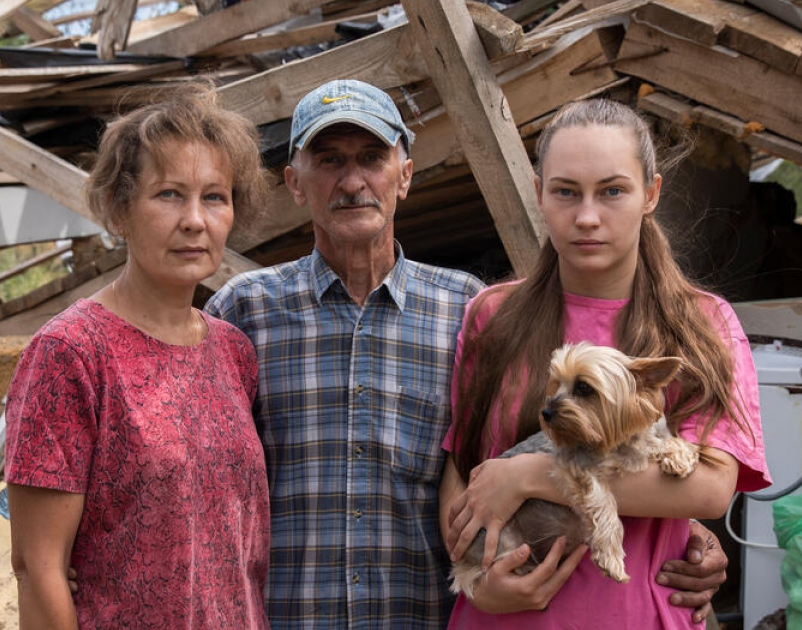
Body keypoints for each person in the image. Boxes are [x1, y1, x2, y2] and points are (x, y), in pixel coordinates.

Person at [206, 80, 731, 629]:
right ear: (294, 182)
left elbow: (497, 453)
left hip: (422, 615)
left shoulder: (469, 311)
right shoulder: (242, 313)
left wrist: (684, 532)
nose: (353, 180)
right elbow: (205, 482)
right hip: (285, 614)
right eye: (329, 160)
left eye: (372, 157)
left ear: (405, 175)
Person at [439, 98, 771, 629]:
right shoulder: (494, 315)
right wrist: (478, 585)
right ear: (539, 195)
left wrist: (529, 474)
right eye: (566, 191)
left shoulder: (700, 322)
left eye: (612, 191)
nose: (587, 216)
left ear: (651, 195)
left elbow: (709, 488)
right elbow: (462, 468)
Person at [4, 85, 273, 629]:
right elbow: (38, 569)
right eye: (170, 194)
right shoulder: (71, 354)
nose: (195, 220)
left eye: (214, 196)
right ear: (119, 209)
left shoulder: (232, 351)